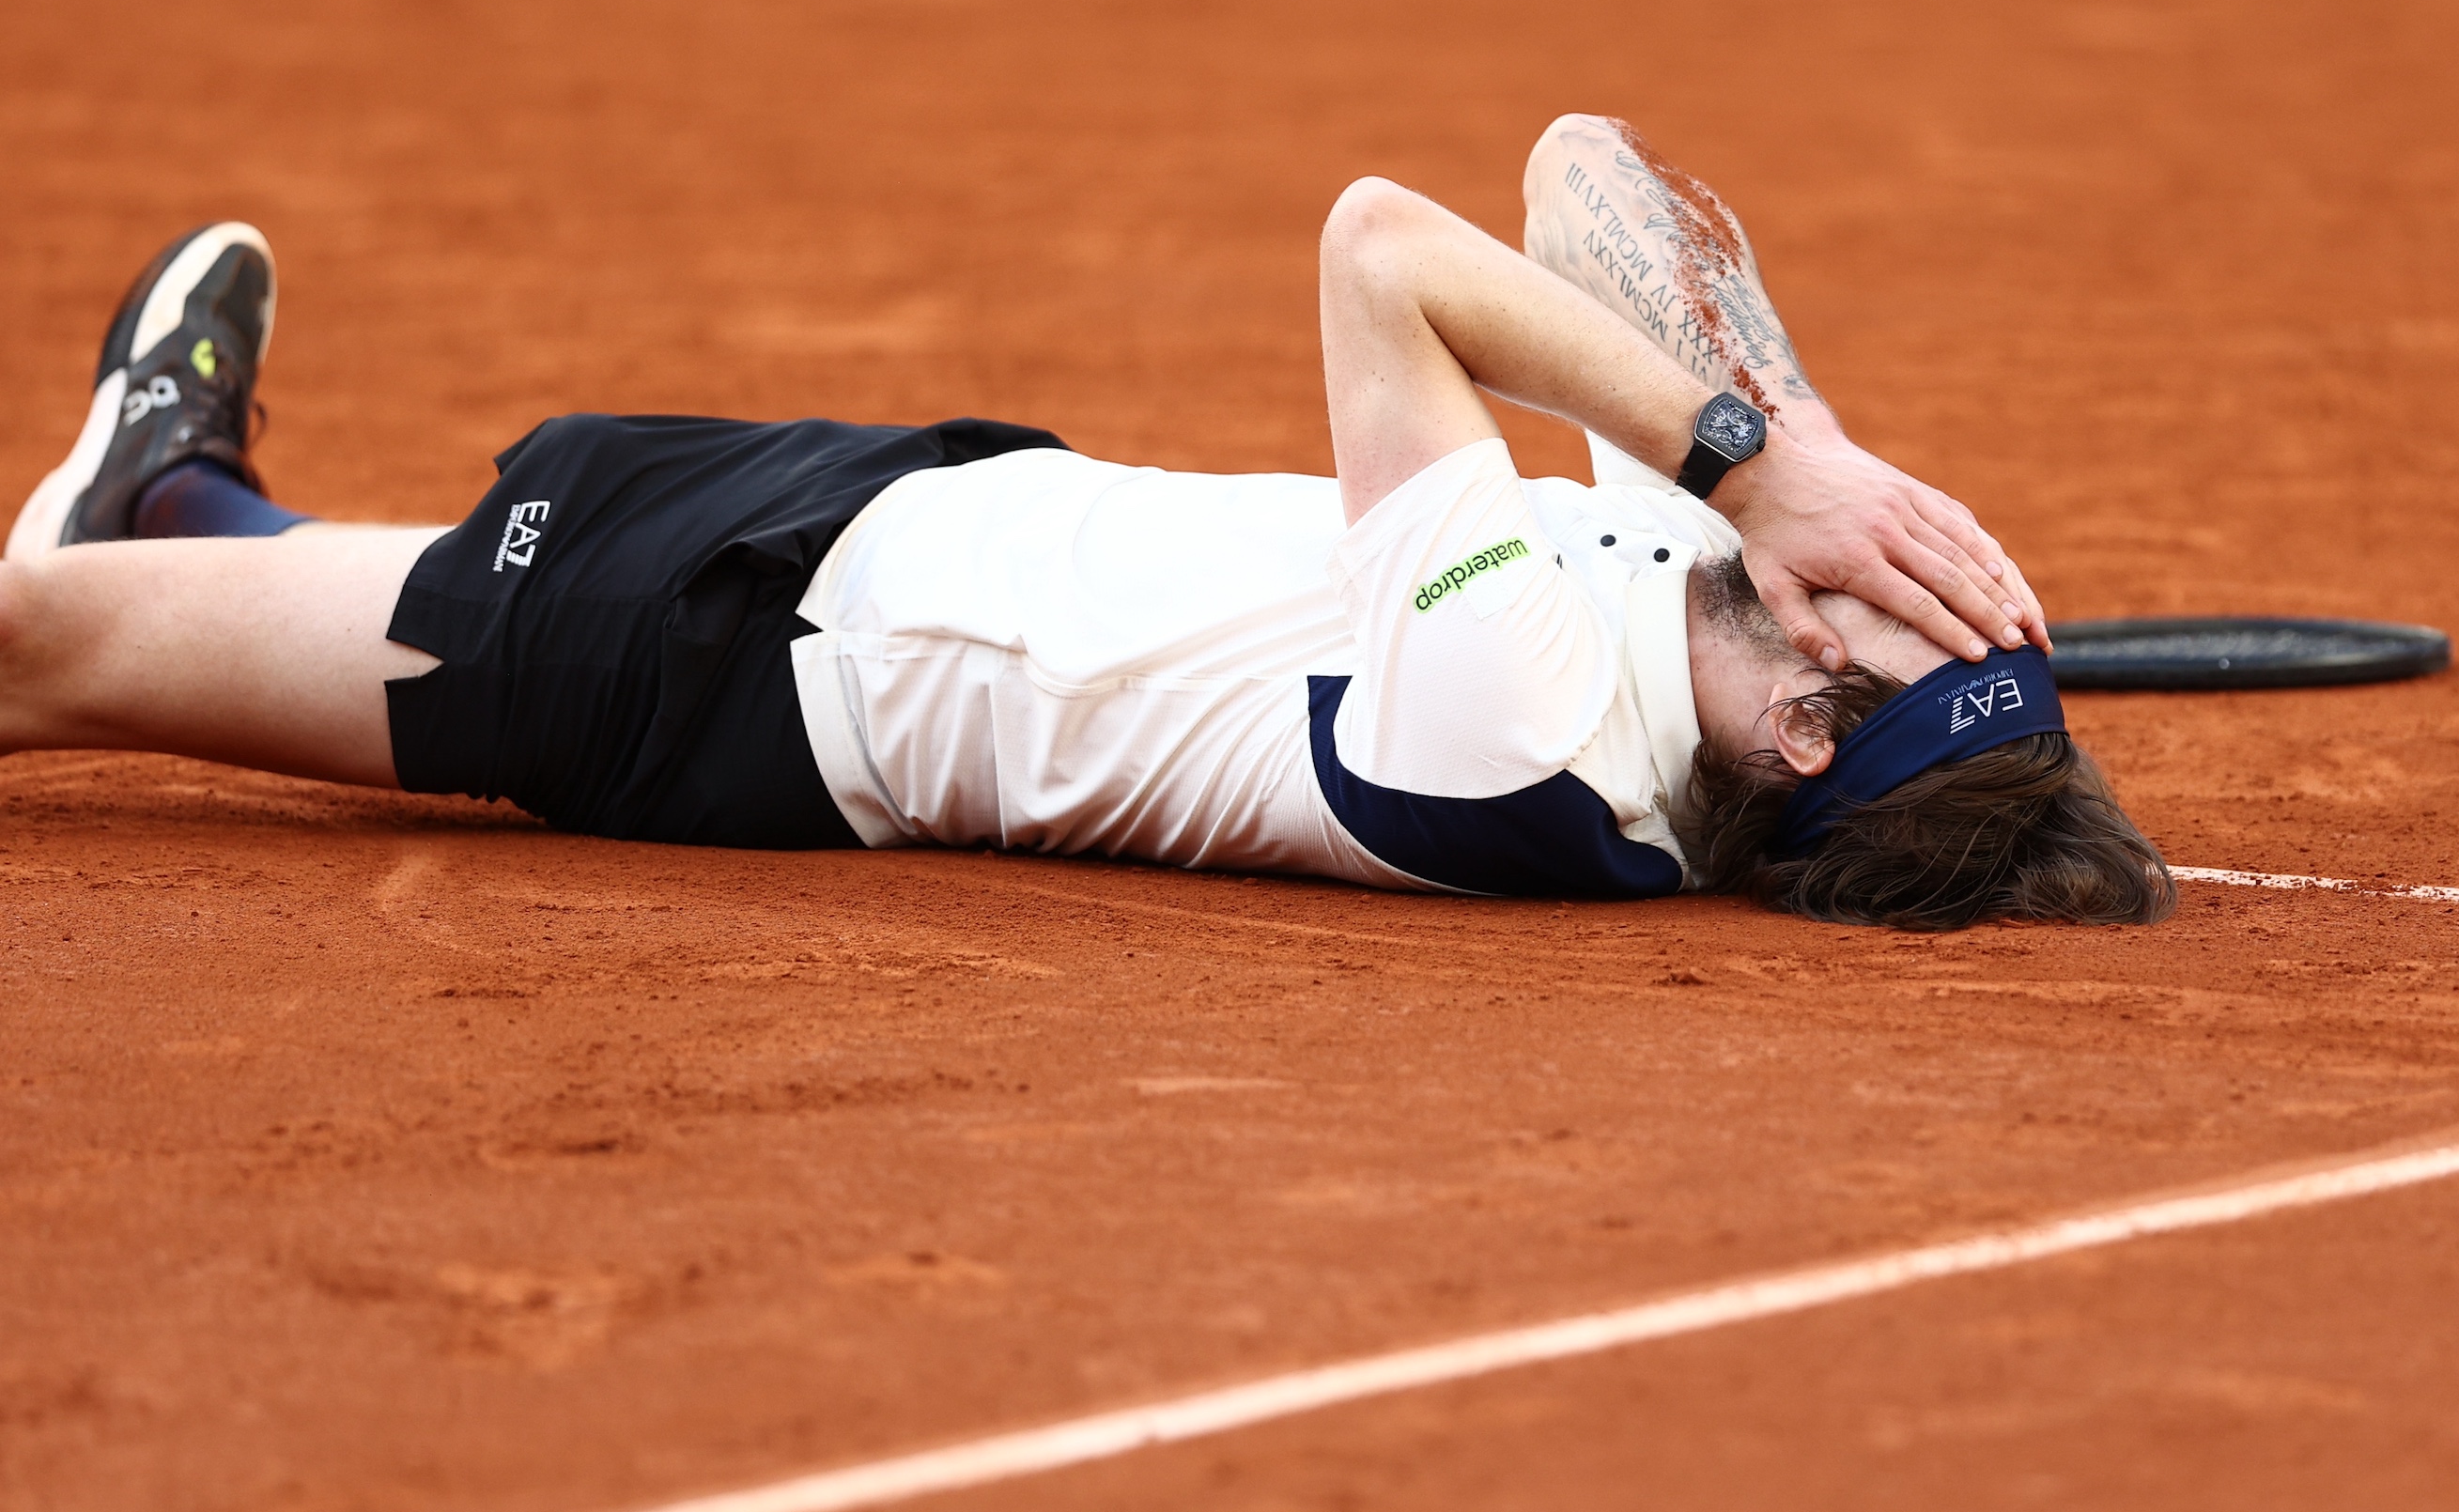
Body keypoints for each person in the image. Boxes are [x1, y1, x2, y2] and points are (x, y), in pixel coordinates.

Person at [0, 119, 2173, 929]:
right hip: (902, 517)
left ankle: (132, 542)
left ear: (1802, 732)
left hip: (739, 678)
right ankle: (176, 500)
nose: (1875, 576)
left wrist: (1759, 464)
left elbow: (1382, 248)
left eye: (1897, 617)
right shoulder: (1706, 618)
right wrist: (1809, 445)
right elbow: (1579, 174)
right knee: (213, 582)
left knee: (51, 655)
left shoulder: (1534, 736)